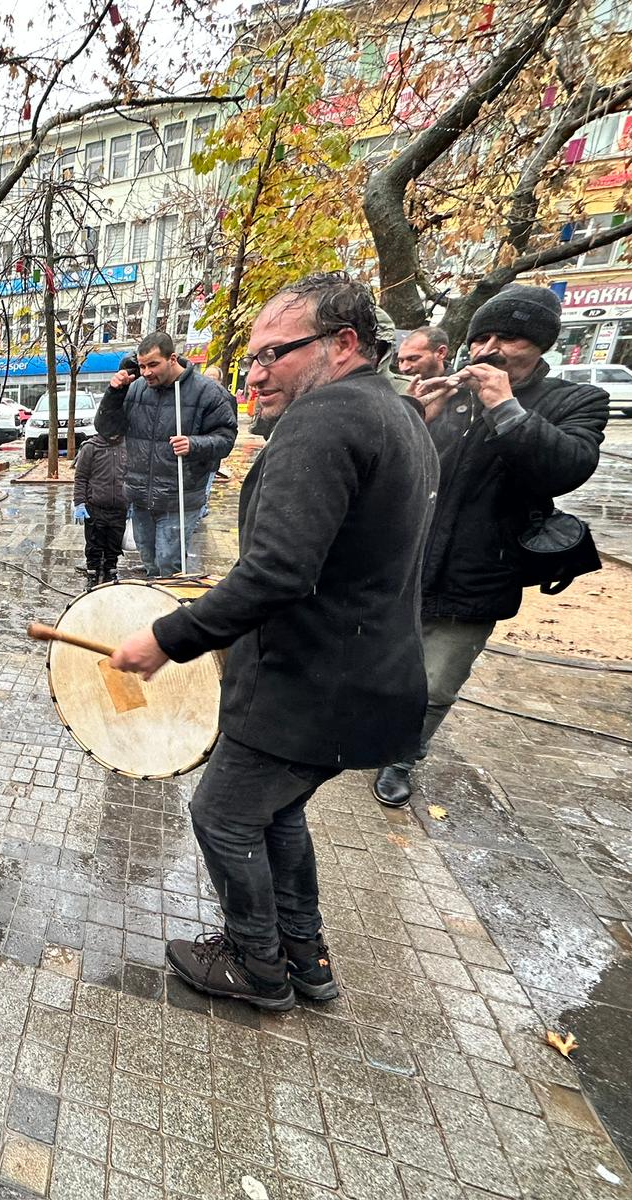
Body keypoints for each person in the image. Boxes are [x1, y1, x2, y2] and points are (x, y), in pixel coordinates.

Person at [110, 273, 437, 1010]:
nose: (254, 375)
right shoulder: (396, 412)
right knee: (275, 811)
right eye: (251, 358)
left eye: (273, 354)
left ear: (343, 343)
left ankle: (256, 963)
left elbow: (280, 570)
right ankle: (304, 955)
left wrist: (168, 637)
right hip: (364, 676)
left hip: (306, 682)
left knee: (222, 816)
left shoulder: (324, 421)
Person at [372, 286, 609, 808]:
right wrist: (414, 418)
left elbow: (567, 467)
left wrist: (504, 406)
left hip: (480, 571)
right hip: (405, 561)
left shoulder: (575, 401)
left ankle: (402, 758)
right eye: (482, 338)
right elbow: (387, 468)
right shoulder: (450, 393)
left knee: (436, 683)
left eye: (509, 338)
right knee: (380, 662)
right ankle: (363, 733)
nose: (490, 349)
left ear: (541, 344)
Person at [95, 332, 236, 577]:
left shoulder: (207, 392)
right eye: (142, 366)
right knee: (150, 562)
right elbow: (107, 430)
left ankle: (172, 600)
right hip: (140, 497)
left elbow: (226, 438)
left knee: (169, 565)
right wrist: (114, 393)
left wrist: (194, 444)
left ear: (172, 359)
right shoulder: (136, 389)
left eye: (153, 364)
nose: (146, 372)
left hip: (179, 498)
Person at [72, 427, 127, 588]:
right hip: (95, 507)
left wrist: (132, 501)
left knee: (114, 542)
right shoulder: (91, 447)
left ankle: (111, 569)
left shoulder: (127, 446)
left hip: (119, 507)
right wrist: (79, 502)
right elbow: (81, 477)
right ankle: (92, 572)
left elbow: (133, 476)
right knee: (94, 543)